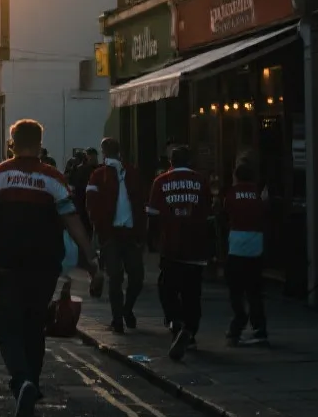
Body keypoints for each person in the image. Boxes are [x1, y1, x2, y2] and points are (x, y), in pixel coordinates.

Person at [0, 120, 98, 417]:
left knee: (5, 326)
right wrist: (92, 260)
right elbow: (72, 221)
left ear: (12, 142)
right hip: (44, 268)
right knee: (34, 327)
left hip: (8, 266)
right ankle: (32, 386)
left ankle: (22, 381)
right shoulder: (53, 178)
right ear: (40, 144)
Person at [148, 145, 213, 362]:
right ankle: (190, 331)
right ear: (191, 161)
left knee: (167, 288)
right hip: (196, 247)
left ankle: (175, 321)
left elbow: (153, 216)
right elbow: (208, 213)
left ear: (171, 161)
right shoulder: (201, 181)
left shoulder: (161, 182)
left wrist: (154, 241)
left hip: (171, 247)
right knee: (192, 292)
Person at [84, 138, 148, 334]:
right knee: (120, 277)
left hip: (126, 233)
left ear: (104, 152)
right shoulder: (100, 175)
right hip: (113, 233)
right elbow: (92, 206)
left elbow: (91, 205)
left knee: (130, 277)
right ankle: (118, 318)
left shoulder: (126, 173)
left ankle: (124, 311)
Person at [221, 163, 268, 346]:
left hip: (237, 247)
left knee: (236, 290)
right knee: (255, 291)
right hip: (256, 245)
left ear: (236, 176)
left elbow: (225, 213)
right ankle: (259, 329)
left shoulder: (232, 193)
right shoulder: (259, 193)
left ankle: (238, 322)